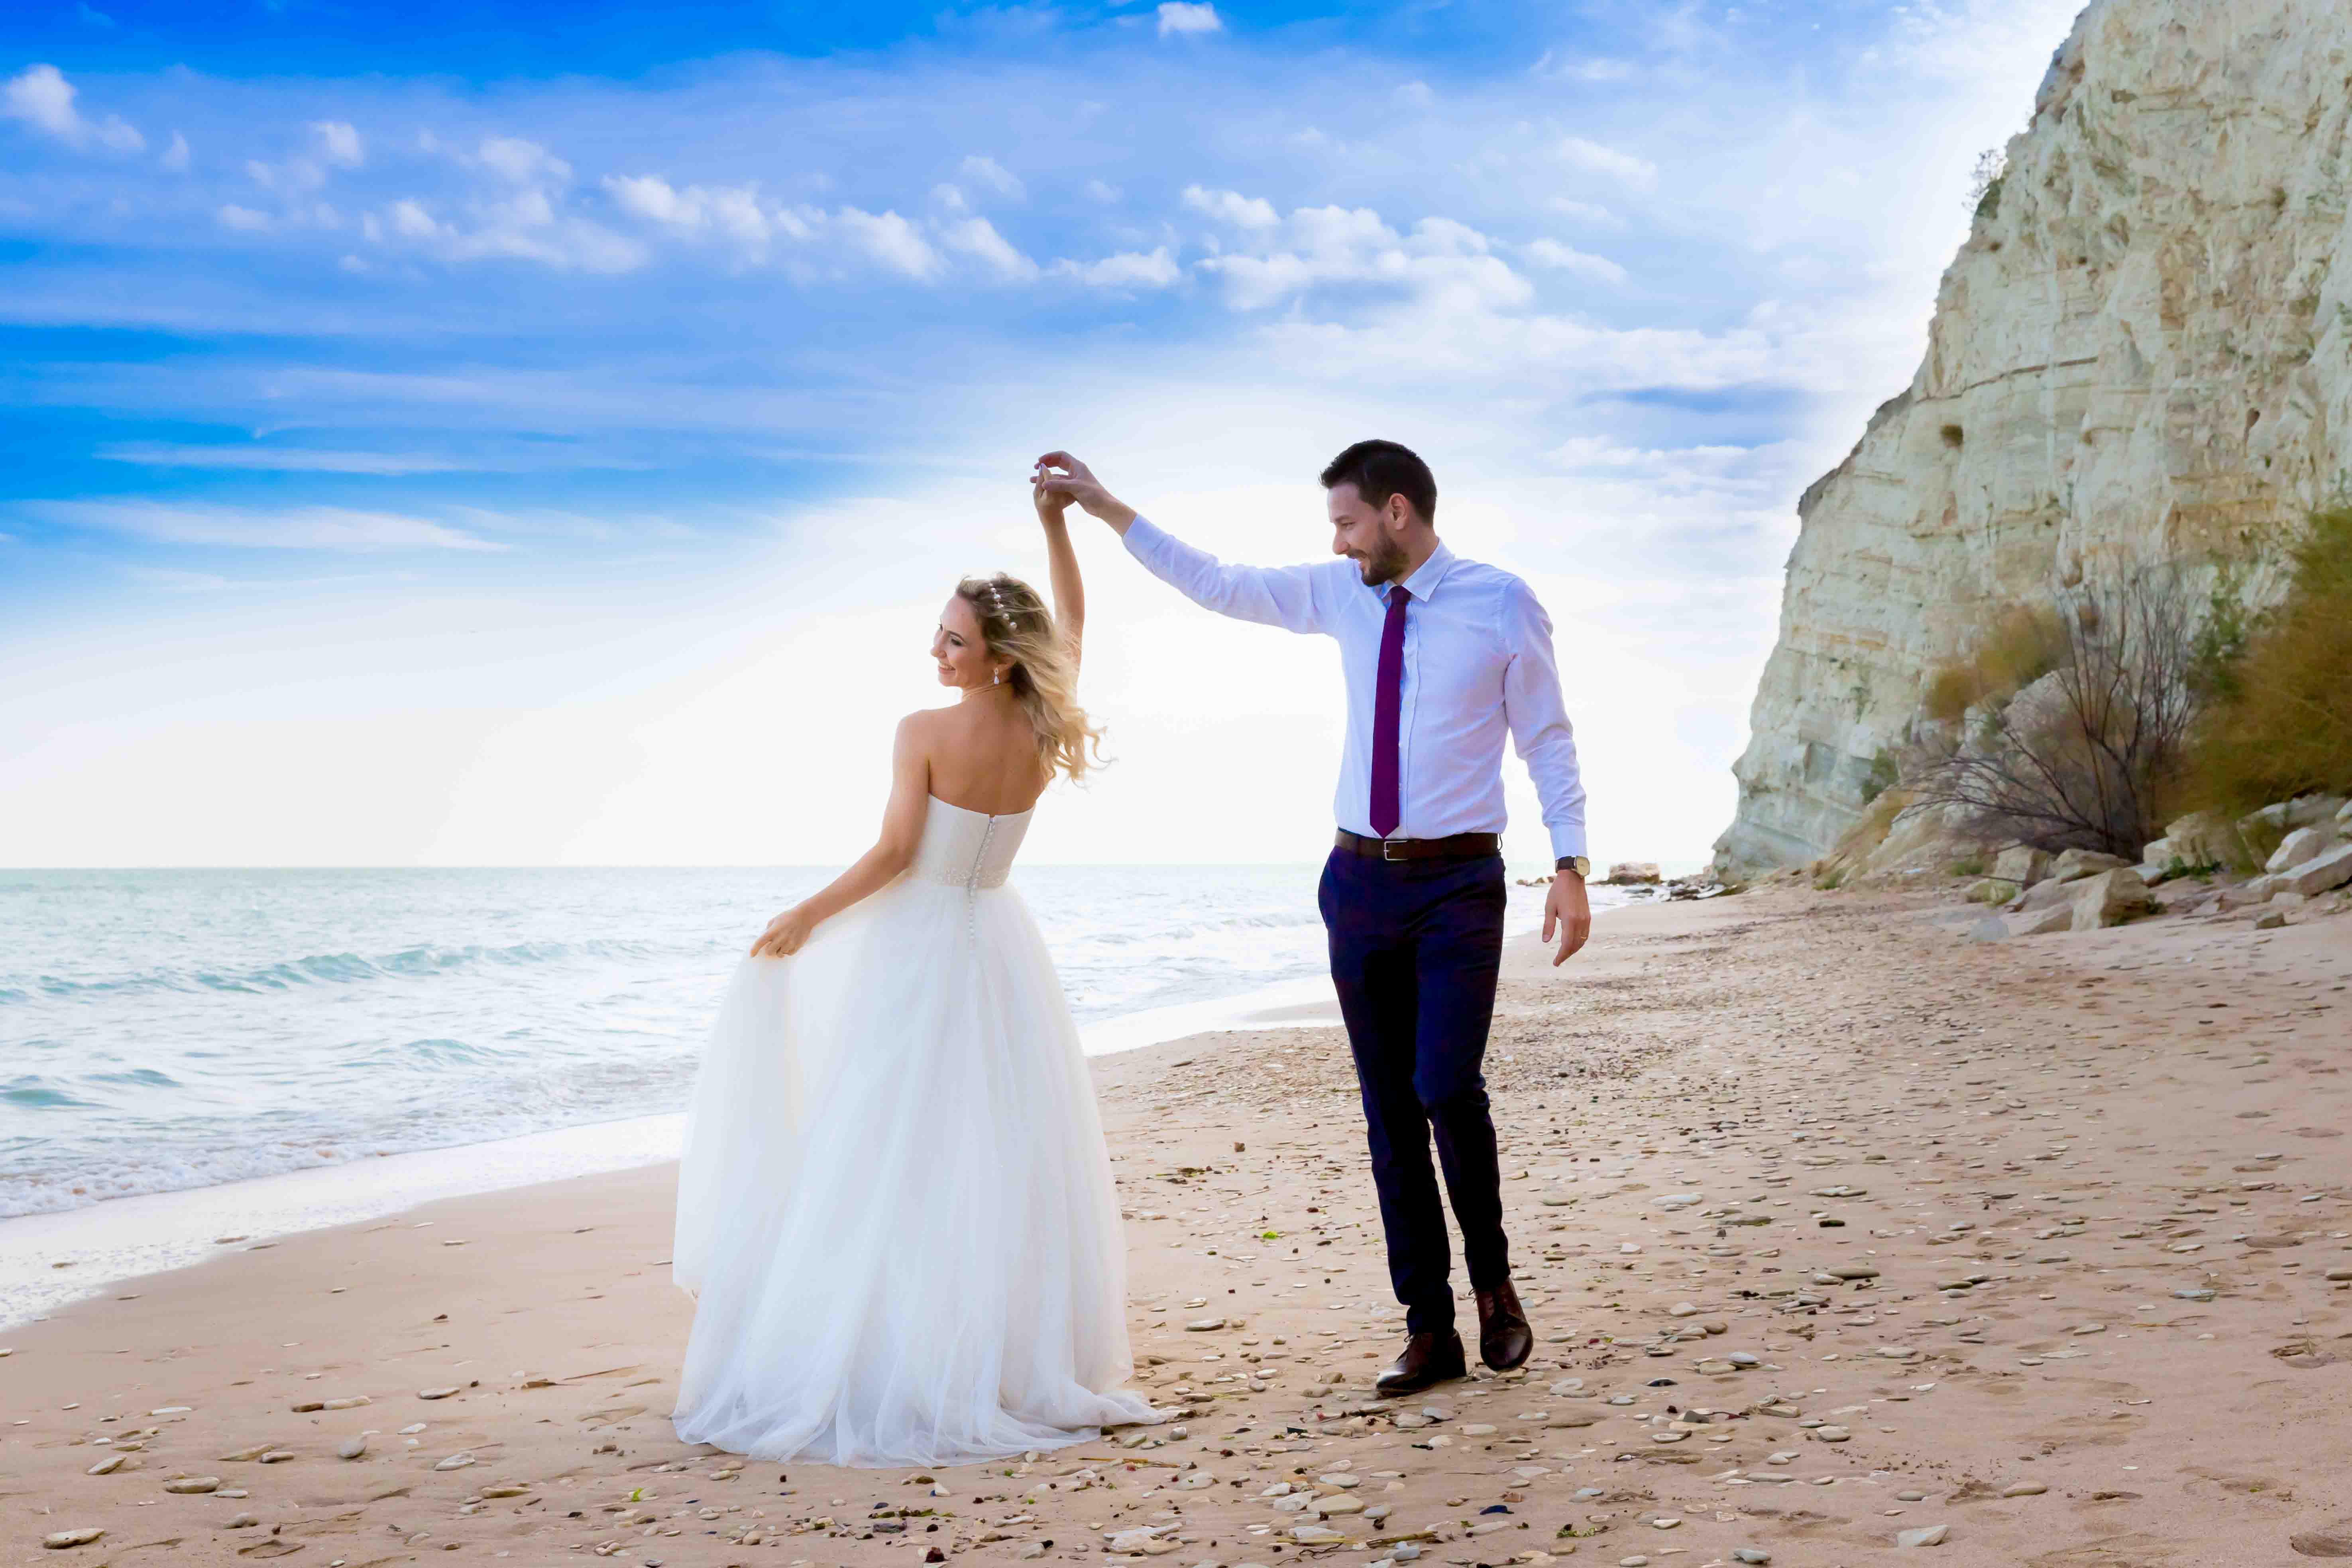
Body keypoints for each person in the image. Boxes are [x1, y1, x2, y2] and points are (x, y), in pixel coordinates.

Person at [1032, 441, 1590, 1395]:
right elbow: (1217, 582)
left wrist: (1571, 864)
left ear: (1397, 513)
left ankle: (1494, 1283)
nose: (1335, 543)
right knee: (1386, 1115)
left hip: (1459, 884)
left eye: (1345, 523)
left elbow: (1544, 735)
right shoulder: (1343, 597)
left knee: (1444, 1085)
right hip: (1358, 883)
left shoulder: (1500, 601)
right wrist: (1106, 508)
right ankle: (1430, 1328)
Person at [668, 483, 1157, 1466]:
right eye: (937, 635)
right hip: (1000, 947)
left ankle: (887, 1358)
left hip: (920, 947)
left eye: (952, 642)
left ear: (997, 656)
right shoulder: (1042, 720)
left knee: (885, 1153)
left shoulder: (922, 731)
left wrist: (807, 912)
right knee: (990, 1158)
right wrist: (1059, 524)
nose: (935, 653)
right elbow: (1077, 617)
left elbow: (895, 853)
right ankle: (993, 1355)